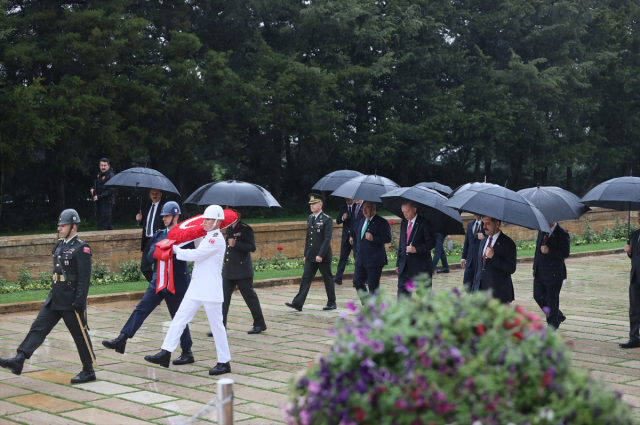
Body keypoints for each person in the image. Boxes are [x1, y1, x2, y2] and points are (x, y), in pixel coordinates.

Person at [0, 210, 96, 383]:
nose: (59, 228)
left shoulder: (82, 247)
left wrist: (79, 302)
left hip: (71, 300)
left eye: (63, 225)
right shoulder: (60, 245)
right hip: (55, 297)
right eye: (59, 225)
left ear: (73, 227)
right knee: (38, 328)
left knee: (79, 335)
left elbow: (84, 278)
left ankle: (89, 370)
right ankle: (19, 360)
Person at [102, 201, 195, 365]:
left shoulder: (185, 235)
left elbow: (191, 254)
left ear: (176, 216)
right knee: (141, 309)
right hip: (158, 281)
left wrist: (174, 247)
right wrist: (161, 249)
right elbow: (150, 256)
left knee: (178, 318)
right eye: (163, 216)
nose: (164, 218)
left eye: (167, 215)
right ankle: (122, 339)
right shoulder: (159, 235)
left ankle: (187, 351)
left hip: (177, 282)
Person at [144, 205, 232, 375]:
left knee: (217, 328)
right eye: (204, 218)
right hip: (197, 287)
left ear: (217, 222)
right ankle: (166, 352)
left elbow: (195, 255)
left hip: (210, 290)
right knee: (179, 319)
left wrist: (174, 248)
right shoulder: (207, 236)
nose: (204, 222)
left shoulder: (216, 239)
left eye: (208, 219)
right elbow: (197, 243)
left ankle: (224, 362)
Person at [218, 208, 267, 334]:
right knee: (222, 299)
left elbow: (252, 247)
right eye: (233, 212)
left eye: (237, 212)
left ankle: (259, 324)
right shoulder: (229, 227)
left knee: (250, 297)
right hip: (229, 270)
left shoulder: (245, 228)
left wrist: (236, 244)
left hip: (242, 270)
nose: (235, 214)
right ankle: (220, 326)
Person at [285, 194, 336, 312]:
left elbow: (327, 239)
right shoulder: (310, 218)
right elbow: (308, 238)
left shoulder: (327, 219)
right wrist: (305, 254)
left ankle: (331, 302)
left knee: (327, 278)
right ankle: (298, 303)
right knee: (306, 278)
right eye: (310, 204)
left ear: (320, 204)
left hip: (322, 256)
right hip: (311, 255)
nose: (311, 206)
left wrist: (320, 255)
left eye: (314, 204)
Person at [533, 222, 570, 330]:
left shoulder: (562, 233)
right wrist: (535, 268)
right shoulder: (542, 231)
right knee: (538, 296)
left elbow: (565, 252)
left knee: (552, 300)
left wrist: (550, 251)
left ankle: (552, 326)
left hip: (554, 273)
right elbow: (537, 252)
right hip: (540, 272)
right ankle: (557, 315)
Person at [471, 216, 516, 304]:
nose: (484, 227)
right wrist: (474, 289)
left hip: (498, 293)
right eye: (483, 224)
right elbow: (478, 267)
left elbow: (511, 268)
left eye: (487, 224)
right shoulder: (483, 241)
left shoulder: (508, 243)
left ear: (497, 224)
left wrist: (493, 257)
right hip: (481, 293)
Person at [395, 201, 435, 298]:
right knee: (402, 298)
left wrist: (416, 249)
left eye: (407, 211)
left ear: (414, 209)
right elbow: (401, 244)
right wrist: (398, 263)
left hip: (420, 268)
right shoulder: (404, 223)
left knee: (424, 300)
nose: (405, 214)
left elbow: (431, 243)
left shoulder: (424, 223)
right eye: (403, 212)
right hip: (405, 267)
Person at [352, 201, 391, 300]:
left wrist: (374, 238)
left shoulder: (381, 222)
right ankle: (367, 304)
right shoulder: (361, 222)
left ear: (374, 209)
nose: (364, 210)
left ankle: (374, 310)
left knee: (373, 287)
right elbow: (358, 240)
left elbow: (387, 238)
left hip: (374, 260)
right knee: (357, 282)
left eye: (367, 208)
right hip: (360, 259)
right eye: (363, 208)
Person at [620, 210, 640, 349]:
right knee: (634, 309)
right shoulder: (635, 234)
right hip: (635, 277)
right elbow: (635, 257)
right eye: (639, 216)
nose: (639, 219)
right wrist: (630, 251)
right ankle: (634, 338)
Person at [137, 189, 164, 282]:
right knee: (144, 268)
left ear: (161, 194)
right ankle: (156, 284)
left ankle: (158, 288)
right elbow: (147, 223)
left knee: (158, 268)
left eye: (156, 193)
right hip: (147, 241)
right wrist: (139, 220)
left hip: (158, 240)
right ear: (149, 195)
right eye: (152, 193)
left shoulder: (163, 207)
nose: (154, 195)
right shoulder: (147, 207)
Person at [461, 214, 485, 290]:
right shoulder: (470, 224)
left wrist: (484, 238)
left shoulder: (486, 225)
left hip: (480, 259)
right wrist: (463, 257)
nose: (475, 214)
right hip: (470, 259)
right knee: (466, 284)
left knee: (478, 283)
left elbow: (490, 240)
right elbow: (467, 242)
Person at [334, 198, 355, 286]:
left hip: (354, 236)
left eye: (348, 198)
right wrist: (343, 217)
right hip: (346, 237)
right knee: (343, 257)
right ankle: (338, 277)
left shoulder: (357, 207)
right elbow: (338, 220)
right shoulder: (343, 207)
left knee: (357, 257)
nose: (347, 200)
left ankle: (360, 278)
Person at [90, 158, 115, 231]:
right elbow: (96, 185)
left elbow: (111, 190)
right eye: (101, 165)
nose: (103, 167)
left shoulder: (111, 175)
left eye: (105, 165)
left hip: (107, 202)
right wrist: (92, 189)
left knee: (102, 223)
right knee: (106, 222)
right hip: (99, 202)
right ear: (99, 165)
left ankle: (101, 238)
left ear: (108, 166)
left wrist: (99, 196)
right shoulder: (99, 175)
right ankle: (114, 237)